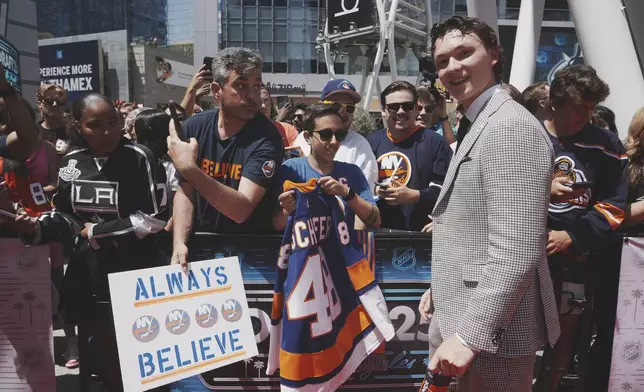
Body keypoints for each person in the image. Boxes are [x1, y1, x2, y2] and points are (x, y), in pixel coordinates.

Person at [420, 16, 559, 391]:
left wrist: (469, 337)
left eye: (465, 53)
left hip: (489, 338)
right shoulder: (481, 120)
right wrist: (442, 285)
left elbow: (517, 248)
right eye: (443, 60)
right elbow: (474, 223)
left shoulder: (509, 128)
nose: (453, 68)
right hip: (466, 319)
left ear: (494, 54)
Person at [13, 92, 168, 391]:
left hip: (134, 275)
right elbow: (65, 216)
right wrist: (34, 228)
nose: (107, 131)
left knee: (138, 361)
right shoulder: (71, 162)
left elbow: (155, 219)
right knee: (96, 359)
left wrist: (98, 233)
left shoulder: (141, 157)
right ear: (78, 125)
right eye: (95, 125)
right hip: (88, 277)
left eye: (113, 122)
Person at [540, 65, 627, 392]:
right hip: (525, 256)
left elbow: (614, 206)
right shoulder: (528, 134)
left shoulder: (606, 144)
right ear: (557, 102)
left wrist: (573, 237)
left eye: (591, 108)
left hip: (577, 260)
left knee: (568, 324)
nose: (585, 116)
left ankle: (552, 383)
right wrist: (542, 188)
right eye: (579, 108)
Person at [167, 47, 283, 271]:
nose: (252, 96)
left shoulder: (267, 138)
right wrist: (179, 242)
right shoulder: (195, 127)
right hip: (201, 248)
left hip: (253, 257)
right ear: (216, 90)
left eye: (257, 86)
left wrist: (190, 169)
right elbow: (185, 192)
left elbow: (241, 209)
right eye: (241, 86)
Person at [273, 104, 380, 232]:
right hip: (303, 250)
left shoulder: (352, 172)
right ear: (308, 137)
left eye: (339, 135)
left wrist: (347, 193)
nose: (334, 141)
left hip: (341, 250)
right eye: (325, 134)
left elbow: (375, 220)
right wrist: (287, 210)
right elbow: (277, 224)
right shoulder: (291, 169)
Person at [367, 81, 452, 231]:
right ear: (383, 111)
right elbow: (359, 186)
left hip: (421, 237)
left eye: (407, 106)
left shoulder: (435, 142)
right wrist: (377, 192)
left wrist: (414, 195)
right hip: (379, 235)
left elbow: (448, 190)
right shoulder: (371, 142)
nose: (400, 111)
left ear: (414, 109)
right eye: (393, 107)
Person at [292, 79, 378, 187]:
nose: (343, 111)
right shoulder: (302, 139)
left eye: (349, 107)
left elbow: (366, 194)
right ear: (321, 105)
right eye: (336, 106)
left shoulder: (361, 145)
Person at [36, 84, 77, 156]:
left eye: (59, 101)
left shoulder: (76, 130)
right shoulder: (34, 132)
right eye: (49, 101)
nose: (55, 104)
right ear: (40, 104)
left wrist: (73, 136)